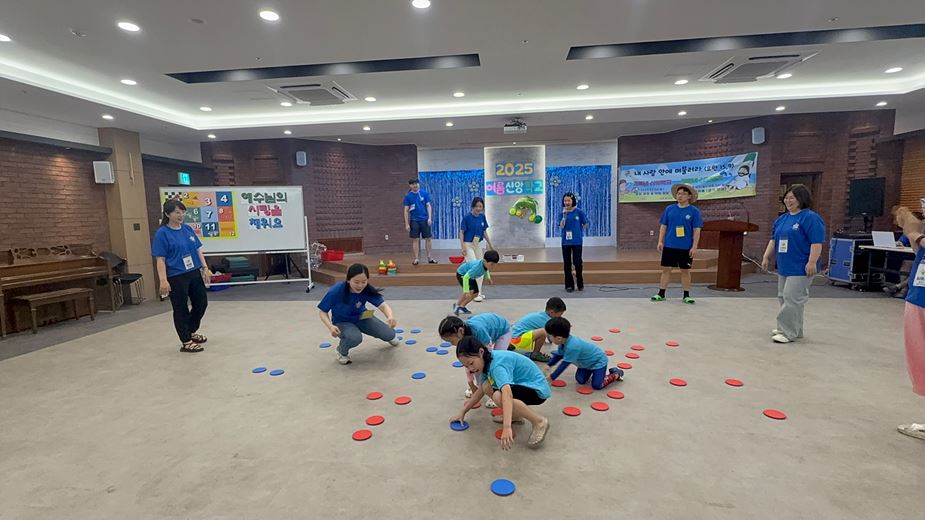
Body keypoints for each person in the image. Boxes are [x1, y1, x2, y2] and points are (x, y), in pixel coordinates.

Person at [450, 336, 551, 450]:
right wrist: (463, 412)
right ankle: (515, 416)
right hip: (524, 385)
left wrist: (507, 427)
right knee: (486, 385)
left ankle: (539, 422)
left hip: (537, 390)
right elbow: (480, 391)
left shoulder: (497, 365)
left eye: (471, 363)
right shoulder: (486, 361)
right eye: (466, 366)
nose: (470, 369)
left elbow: (507, 394)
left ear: (481, 352)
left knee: (498, 396)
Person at [761, 184, 826, 344]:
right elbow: (773, 239)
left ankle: (787, 332)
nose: (788, 201)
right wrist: (766, 256)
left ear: (801, 199)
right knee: (784, 297)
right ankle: (794, 329)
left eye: (792, 198)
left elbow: (816, 242)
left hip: (801, 266)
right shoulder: (782, 219)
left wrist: (812, 262)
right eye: (786, 198)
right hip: (785, 265)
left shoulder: (810, 217)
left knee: (792, 298)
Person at [153, 199, 212, 353]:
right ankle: (186, 341)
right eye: (177, 212)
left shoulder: (187, 229)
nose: (181, 215)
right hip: (176, 275)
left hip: (193, 272)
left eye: (183, 212)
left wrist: (205, 267)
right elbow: (160, 259)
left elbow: (198, 249)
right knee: (181, 308)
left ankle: (191, 330)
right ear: (168, 214)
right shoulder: (162, 233)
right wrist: (163, 280)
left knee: (201, 302)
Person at [318, 263, 399, 365]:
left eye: (364, 282)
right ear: (348, 280)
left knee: (389, 334)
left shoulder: (367, 289)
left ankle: (387, 335)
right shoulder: (336, 290)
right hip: (342, 322)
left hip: (363, 316)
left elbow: (383, 305)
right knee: (354, 338)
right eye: (356, 282)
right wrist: (330, 326)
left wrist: (390, 317)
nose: (360, 285)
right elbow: (322, 312)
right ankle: (341, 351)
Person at [892, 206, 925, 441]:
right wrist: (912, 232)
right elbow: (919, 253)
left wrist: (915, 234)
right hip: (918, 297)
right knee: (919, 358)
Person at [439, 313, 512, 407]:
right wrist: (472, 383)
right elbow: (468, 363)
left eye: (451, 341)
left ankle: (496, 390)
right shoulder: (463, 335)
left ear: (460, 331)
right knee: (474, 363)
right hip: (488, 329)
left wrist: (486, 385)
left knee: (495, 362)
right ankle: (479, 386)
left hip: (502, 330)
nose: (451, 344)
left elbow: (487, 359)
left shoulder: (478, 331)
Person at [652, 184, 703, 304]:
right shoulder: (669, 209)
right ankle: (661, 294)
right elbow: (663, 225)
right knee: (666, 269)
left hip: (685, 246)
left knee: (685, 270)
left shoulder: (694, 211)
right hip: (669, 245)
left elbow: (697, 230)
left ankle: (686, 295)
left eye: (683, 194)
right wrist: (660, 241)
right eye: (678, 193)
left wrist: (694, 246)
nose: (680, 196)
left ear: (689, 196)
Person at [543, 317, 624, 389]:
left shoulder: (573, 347)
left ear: (559, 338)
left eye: (549, 336)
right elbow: (559, 355)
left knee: (597, 385)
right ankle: (595, 373)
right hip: (585, 364)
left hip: (598, 362)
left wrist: (552, 377)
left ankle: (617, 373)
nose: (548, 337)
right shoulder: (563, 342)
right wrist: (550, 364)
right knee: (580, 380)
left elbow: (564, 364)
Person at [509, 297, 567, 362]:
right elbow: (557, 335)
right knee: (543, 332)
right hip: (517, 340)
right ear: (552, 312)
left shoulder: (541, 315)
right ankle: (535, 354)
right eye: (561, 314)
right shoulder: (547, 321)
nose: (561, 316)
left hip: (511, 337)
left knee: (543, 331)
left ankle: (510, 345)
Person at [460, 197, 494, 302]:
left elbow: (484, 232)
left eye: (480, 206)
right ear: (473, 206)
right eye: (477, 206)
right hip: (468, 244)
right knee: (475, 266)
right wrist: (463, 247)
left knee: (482, 266)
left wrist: (490, 244)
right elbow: (461, 232)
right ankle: (473, 292)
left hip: (478, 244)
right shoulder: (467, 217)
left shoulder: (482, 217)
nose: (478, 208)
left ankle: (478, 292)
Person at [453, 250, 499, 316]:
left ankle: (462, 307)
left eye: (495, 265)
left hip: (470, 276)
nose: (493, 267)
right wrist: (466, 291)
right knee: (469, 292)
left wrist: (488, 278)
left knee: (476, 293)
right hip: (462, 274)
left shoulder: (485, 265)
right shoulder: (477, 268)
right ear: (484, 261)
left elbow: (486, 270)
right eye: (491, 264)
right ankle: (457, 306)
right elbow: (465, 277)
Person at [403, 178, 436, 266]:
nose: (415, 185)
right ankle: (416, 258)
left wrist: (429, 218)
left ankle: (429, 258)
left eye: (416, 183)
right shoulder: (408, 196)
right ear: (410, 185)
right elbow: (406, 210)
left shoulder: (424, 194)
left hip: (425, 219)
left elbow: (428, 206)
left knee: (428, 238)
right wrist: (406, 224)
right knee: (416, 239)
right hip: (414, 220)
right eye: (413, 184)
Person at [560, 192, 589, 292]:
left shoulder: (579, 212)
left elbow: (585, 224)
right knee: (567, 264)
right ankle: (569, 285)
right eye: (565, 201)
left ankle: (580, 282)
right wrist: (564, 216)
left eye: (568, 200)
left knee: (577, 262)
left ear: (573, 201)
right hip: (566, 242)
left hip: (577, 241)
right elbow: (561, 226)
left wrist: (579, 230)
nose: (566, 202)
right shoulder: (562, 213)